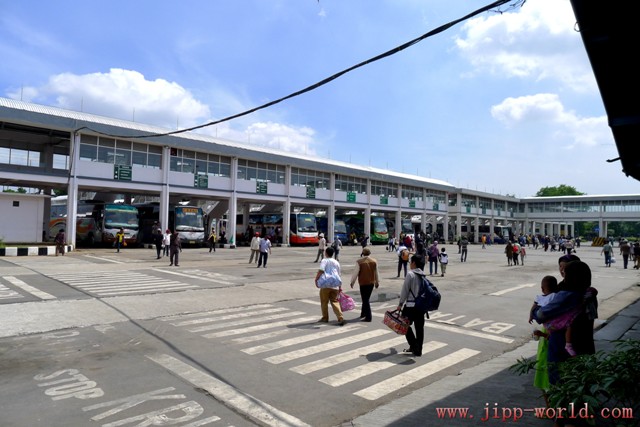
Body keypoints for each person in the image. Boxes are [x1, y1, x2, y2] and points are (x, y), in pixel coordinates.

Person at [528, 275, 559, 408]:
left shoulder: (553, 325)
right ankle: (549, 408)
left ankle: (552, 409)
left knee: (549, 383)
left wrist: (541, 334)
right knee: (544, 382)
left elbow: (554, 339)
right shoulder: (555, 299)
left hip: (549, 357)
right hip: (543, 354)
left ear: (542, 288)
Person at [397, 254, 427, 357]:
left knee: (404, 325)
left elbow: (405, 290)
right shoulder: (423, 274)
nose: (410, 263)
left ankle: (414, 345)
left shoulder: (410, 274)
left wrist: (400, 304)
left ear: (414, 263)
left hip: (410, 306)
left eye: (410, 262)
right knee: (419, 328)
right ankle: (418, 350)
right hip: (420, 306)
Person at [315, 247, 345, 326]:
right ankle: (340, 317)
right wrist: (340, 286)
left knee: (324, 302)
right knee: (335, 301)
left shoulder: (324, 260)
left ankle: (325, 318)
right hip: (335, 285)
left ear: (326, 253)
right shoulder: (336, 262)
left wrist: (316, 279)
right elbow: (339, 275)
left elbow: (321, 270)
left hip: (325, 285)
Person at [350, 247, 379, 322]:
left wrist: (352, 282)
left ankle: (368, 317)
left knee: (365, 299)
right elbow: (376, 272)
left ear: (363, 253)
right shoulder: (374, 261)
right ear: (370, 253)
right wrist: (377, 281)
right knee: (366, 299)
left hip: (363, 283)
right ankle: (363, 313)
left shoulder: (359, 262)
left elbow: (355, 273)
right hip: (371, 282)